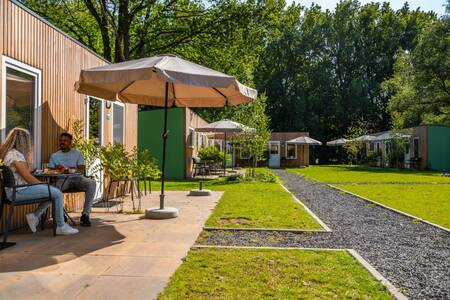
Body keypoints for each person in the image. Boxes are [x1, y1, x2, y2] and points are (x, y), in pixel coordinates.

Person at [0, 128, 78, 235]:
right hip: (18, 192)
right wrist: (42, 184)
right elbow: (27, 176)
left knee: (53, 192)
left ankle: (35, 216)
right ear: (23, 141)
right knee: (57, 193)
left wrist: (31, 172)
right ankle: (61, 226)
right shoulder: (16, 155)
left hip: (14, 190)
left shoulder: (9, 153)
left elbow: (21, 172)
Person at [48, 132, 96, 227]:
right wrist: (57, 169)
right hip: (62, 180)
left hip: (77, 178)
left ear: (70, 142)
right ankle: (61, 215)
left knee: (92, 183)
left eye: (65, 141)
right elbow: (49, 170)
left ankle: (85, 215)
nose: (62, 142)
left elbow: (81, 169)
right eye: (61, 141)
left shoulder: (77, 153)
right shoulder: (55, 156)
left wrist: (68, 170)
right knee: (53, 189)